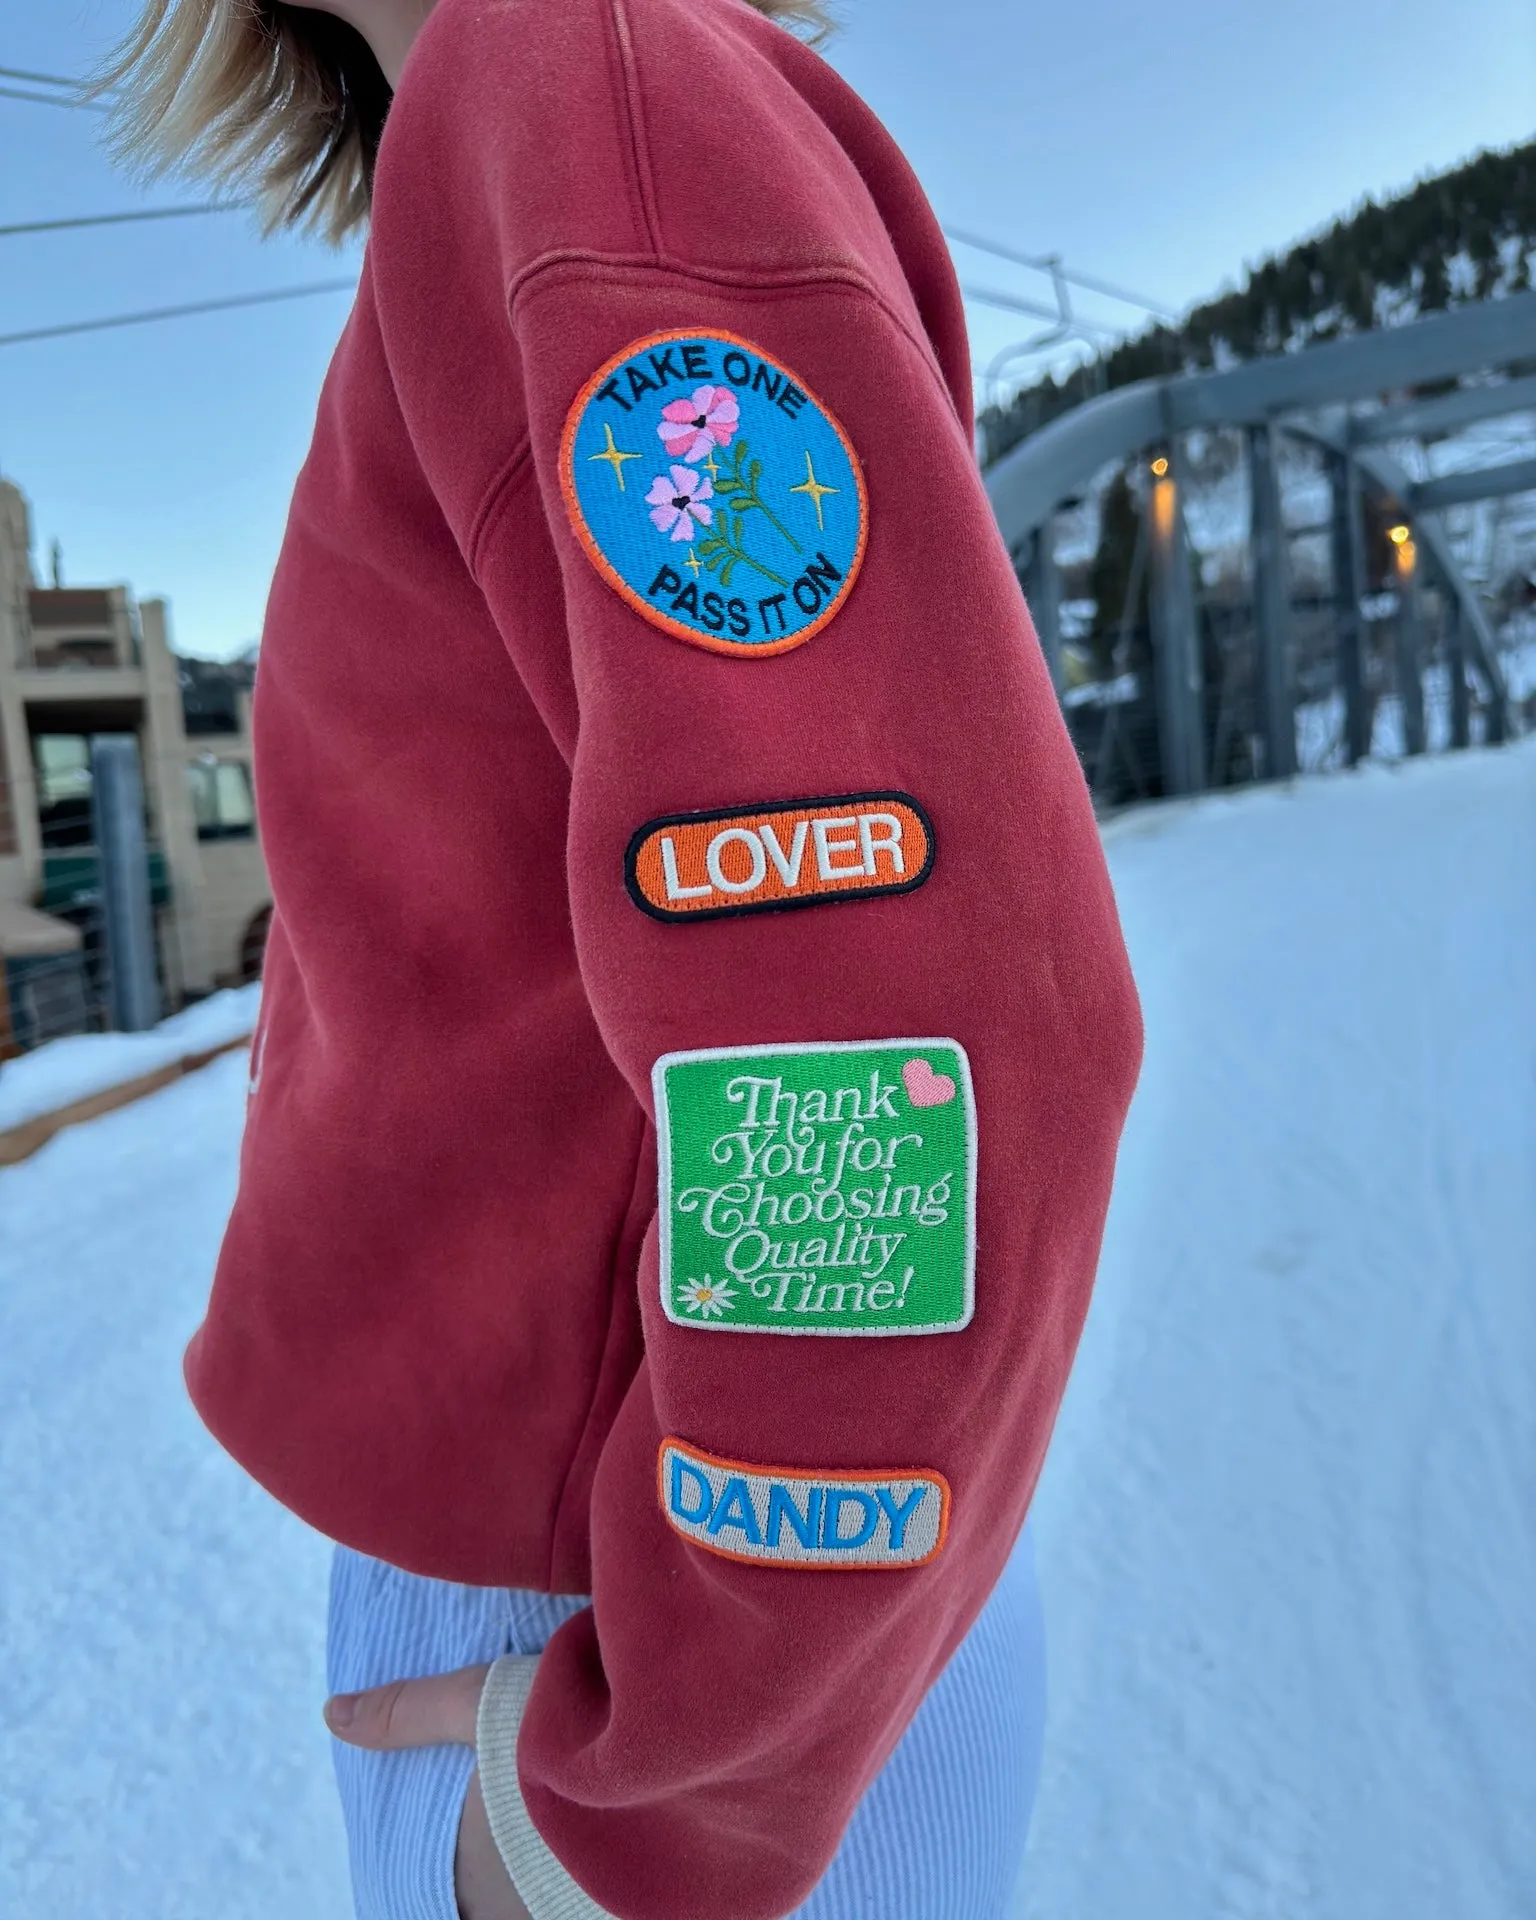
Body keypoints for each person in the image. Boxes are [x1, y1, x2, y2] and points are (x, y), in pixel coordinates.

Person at [103, 2, 1143, 1916]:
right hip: (675, 1604)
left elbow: (908, 1009)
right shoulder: (555, 110)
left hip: (650, 1626)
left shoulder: (575, 84)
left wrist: (657, 1806)